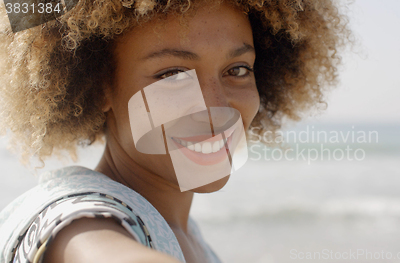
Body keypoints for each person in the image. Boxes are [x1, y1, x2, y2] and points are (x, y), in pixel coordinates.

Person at [0, 0, 350, 262]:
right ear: (98, 85)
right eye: (172, 75)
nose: (217, 109)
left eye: (238, 69)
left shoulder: (189, 238)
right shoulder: (77, 220)